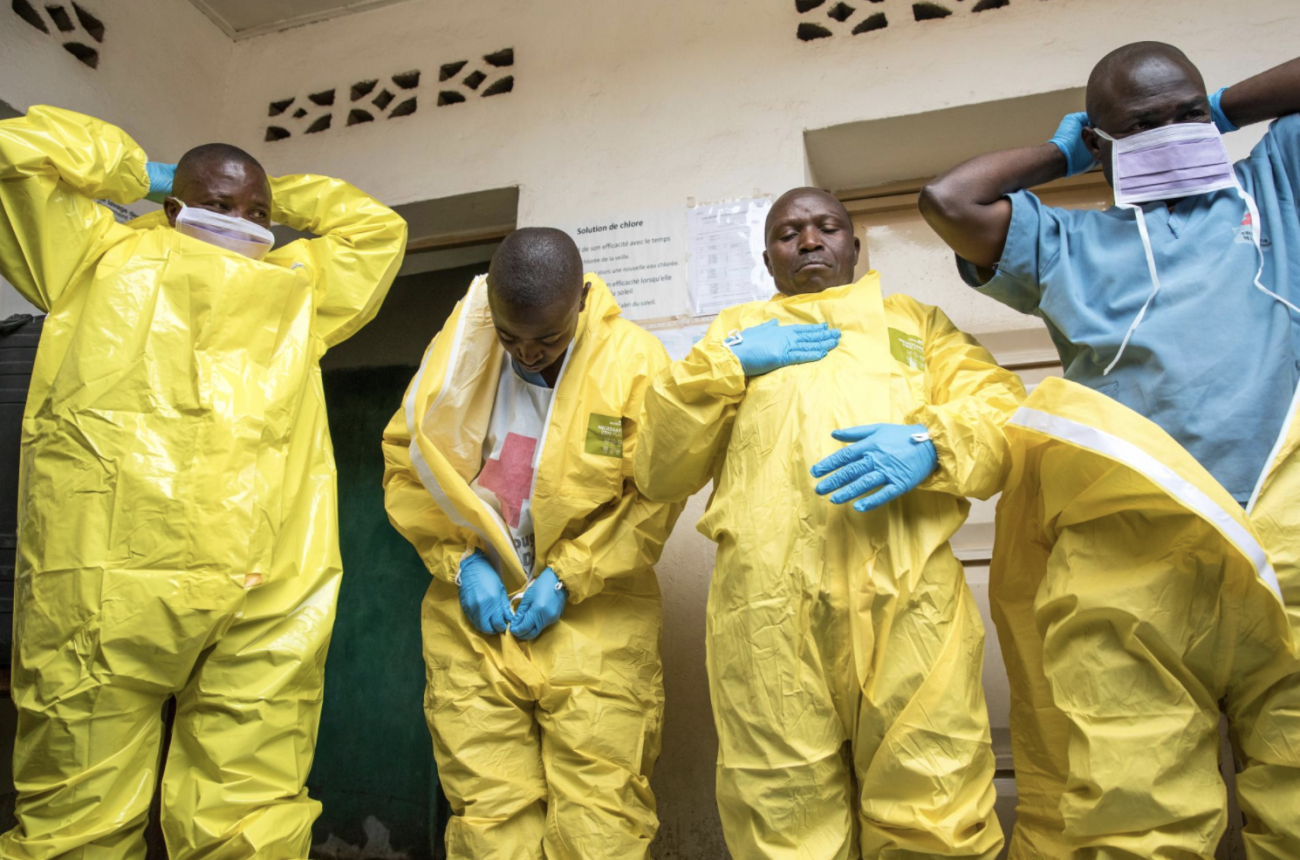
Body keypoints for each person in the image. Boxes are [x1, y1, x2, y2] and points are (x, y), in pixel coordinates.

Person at [920, 43, 1300, 859]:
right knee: (1134, 822)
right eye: (1144, 124)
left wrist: (1224, 111)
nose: (1174, 134)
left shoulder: (1272, 189)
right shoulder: (1065, 243)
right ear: (1102, 142)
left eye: (1185, 114)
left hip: (1286, 553)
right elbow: (951, 199)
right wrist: (1063, 153)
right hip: (1133, 574)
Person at [0, 105, 406, 858]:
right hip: (102, 594)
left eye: (259, 213)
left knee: (248, 820)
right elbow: (10, 154)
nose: (244, 222)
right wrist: (136, 172)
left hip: (259, 595)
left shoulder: (295, 286)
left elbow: (377, 231)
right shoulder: (91, 255)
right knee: (74, 823)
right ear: (174, 203)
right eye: (221, 205)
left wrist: (275, 193)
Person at [635, 187, 1024, 860]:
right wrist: (726, 359)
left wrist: (933, 442)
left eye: (825, 227)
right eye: (788, 232)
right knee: (783, 817)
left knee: (935, 808)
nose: (809, 240)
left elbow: (1002, 411)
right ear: (766, 257)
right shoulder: (738, 331)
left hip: (911, 603)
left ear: (854, 243)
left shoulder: (915, 325)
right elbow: (659, 466)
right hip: (767, 616)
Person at [382, 227, 683, 859]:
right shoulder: (462, 345)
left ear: (581, 298)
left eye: (547, 338)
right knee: (488, 818)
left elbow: (656, 494)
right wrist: (461, 564)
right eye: (511, 335)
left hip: (597, 621)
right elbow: (410, 465)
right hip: (475, 624)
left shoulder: (633, 360)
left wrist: (571, 573)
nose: (528, 352)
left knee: (600, 822)